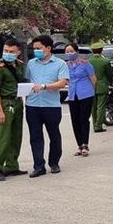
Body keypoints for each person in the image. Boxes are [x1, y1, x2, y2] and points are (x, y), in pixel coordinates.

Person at [25, 35, 70, 178]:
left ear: (48, 48)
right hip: (32, 105)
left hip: (51, 106)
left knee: (54, 135)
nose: (36, 51)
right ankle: (38, 166)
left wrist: (45, 86)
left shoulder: (60, 64)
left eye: (39, 48)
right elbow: (26, 80)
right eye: (34, 49)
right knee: (35, 137)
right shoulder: (31, 63)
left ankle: (54, 163)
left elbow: (63, 83)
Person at [0, 39, 27, 181]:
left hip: (17, 102)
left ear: (18, 52)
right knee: (4, 137)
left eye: (11, 52)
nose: (8, 54)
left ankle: (12, 165)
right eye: (6, 51)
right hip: (4, 103)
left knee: (16, 136)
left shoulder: (19, 65)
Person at [65, 43, 96, 157]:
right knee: (75, 120)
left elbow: (93, 78)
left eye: (71, 51)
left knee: (83, 119)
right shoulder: (66, 65)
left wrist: (93, 92)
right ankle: (79, 145)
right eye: (67, 51)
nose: (69, 53)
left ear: (76, 52)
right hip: (72, 95)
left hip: (86, 94)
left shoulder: (85, 64)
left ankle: (85, 145)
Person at [88, 42, 113, 133]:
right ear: (101, 50)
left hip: (90, 86)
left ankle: (95, 124)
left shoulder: (88, 61)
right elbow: (109, 75)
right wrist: (111, 82)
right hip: (102, 86)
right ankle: (98, 126)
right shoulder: (106, 61)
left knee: (93, 107)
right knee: (101, 107)